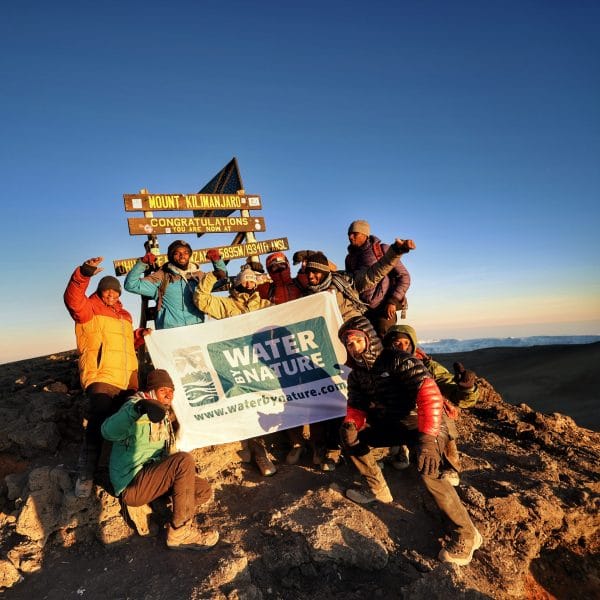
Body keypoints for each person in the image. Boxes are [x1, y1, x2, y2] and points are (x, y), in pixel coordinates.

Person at [337, 315, 483, 566]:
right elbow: (356, 405)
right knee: (349, 438)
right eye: (349, 344)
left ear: (369, 339)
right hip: (394, 424)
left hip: (424, 423)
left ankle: (467, 534)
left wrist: (427, 439)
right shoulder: (357, 375)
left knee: (428, 469)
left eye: (357, 341)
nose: (354, 347)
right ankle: (377, 489)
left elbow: (429, 396)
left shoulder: (399, 360)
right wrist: (352, 424)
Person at [101, 369, 218, 550]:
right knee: (183, 461)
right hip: (131, 483)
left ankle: (162, 511)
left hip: (151, 478)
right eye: (163, 390)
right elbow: (108, 431)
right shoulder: (135, 406)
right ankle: (180, 533)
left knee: (203, 490)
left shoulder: (162, 414)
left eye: (171, 391)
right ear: (152, 391)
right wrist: (138, 409)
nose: (169, 395)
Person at [64, 256, 149, 498]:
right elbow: (72, 299)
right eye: (107, 291)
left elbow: (126, 343)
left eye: (115, 292)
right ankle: (86, 475)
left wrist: (140, 335)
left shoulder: (125, 315)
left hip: (127, 379)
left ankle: (126, 473)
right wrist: (83, 273)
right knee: (97, 423)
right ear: (100, 292)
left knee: (129, 425)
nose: (111, 295)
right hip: (102, 376)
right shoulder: (88, 310)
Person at [193, 252, 276, 477]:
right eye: (245, 280)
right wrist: (211, 277)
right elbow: (201, 300)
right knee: (241, 401)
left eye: (252, 280)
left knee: (261, 403)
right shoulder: (228, 305)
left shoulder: (267, 304)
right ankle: (252, 448)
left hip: (260, 361)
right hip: (235, 362)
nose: (249, 283)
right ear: (238, 282)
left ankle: (262, 449)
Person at [382, 324, 479, 484]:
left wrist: (467, 388)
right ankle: (397, 450)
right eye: (397, 343)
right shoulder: (381, 365)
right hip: (396, 413)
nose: (402, 347)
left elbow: (458, 396)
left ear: (413, 344)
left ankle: (449, 465)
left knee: (441, 417)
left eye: (406, 343)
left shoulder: (427, 366)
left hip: (423, 412)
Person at [345, 220, 411, 338]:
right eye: (349, 234)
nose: (350, 237)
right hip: (363, 311)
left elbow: (404, 277)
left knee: (385, 339)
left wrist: (393, 301)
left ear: (365, 235)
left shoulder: (382, 250)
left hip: (385, 309)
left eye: (355, 233)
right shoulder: (349, 259)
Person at [124, 239, 207, 329]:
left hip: (197, 327)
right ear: (171, 256)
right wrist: (142, 263)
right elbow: (131, 285)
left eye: (186, 252)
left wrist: (217, 262)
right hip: (170, 332)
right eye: (177, 253)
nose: (182, 256)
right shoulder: (162, 277)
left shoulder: (197, 275)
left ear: (190, 255)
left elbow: (220, 282)